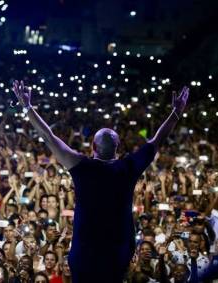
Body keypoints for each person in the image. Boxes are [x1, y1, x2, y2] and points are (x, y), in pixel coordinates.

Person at [12, 81, 189, 283]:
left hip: (84, 254)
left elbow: (49, 137)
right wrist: (175, 113)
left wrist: (27, 106)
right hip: (117, 254)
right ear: (118, 147)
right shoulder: (128, 167)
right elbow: (157, 141)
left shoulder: (82, 166)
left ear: (93, 146)